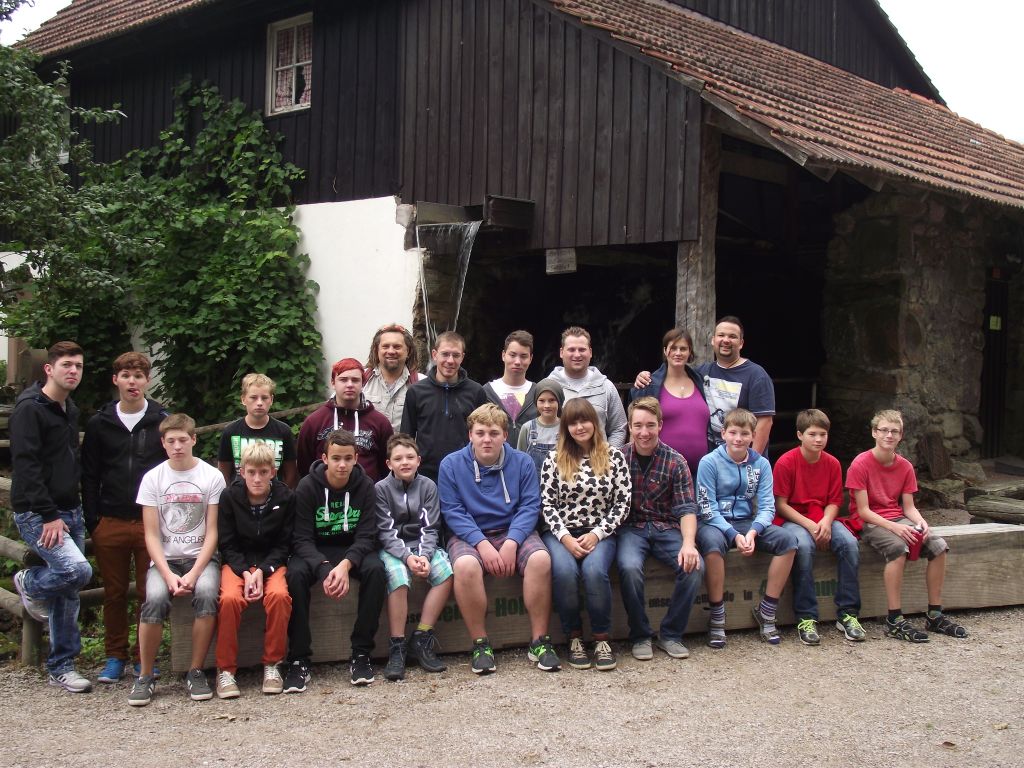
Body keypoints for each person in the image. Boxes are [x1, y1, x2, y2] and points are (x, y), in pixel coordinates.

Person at [438, 404, 560, 674]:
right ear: (470, 434)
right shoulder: (451, 464)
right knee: (465, 567)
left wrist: (512, 542)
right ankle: (480, 644)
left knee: (540, 559)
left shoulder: (523, 462)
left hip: (512, 531)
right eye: (480, 433)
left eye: (494, 433)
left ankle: (539, 641)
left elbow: (530, 506)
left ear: (505, 435)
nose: (486, 439)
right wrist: (481, 544)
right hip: (470, 534)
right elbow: (453, 511)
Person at [11, 341, 94, 693]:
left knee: (69, 592)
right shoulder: (30, 409)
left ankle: (61, 665)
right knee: (77, 571)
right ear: (50, 369)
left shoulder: (68, 408)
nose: (73, 371)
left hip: (70, 508)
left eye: (78, 366)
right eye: (66, 365)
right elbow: (26, 466)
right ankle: (29, 583)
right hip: (39, 512)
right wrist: (48, 515)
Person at [81, 351, 168, 684]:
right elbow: (89, 475)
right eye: (126, 376)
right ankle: (114, 656)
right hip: (111, 520)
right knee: (114, 593)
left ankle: (145, 658)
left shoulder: (161, 419)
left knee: (152, 593)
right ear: (116, 380)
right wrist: (94, 521)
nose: (133, 382)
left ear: (147, 380)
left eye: (139, 375)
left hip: (151, 521)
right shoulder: (100, 423)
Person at [129, 413, 226, 706]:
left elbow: (212, 533)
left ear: (194, 439)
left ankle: (195, 671)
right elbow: (151, 535)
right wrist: (169, 575)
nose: (177, 446)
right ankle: (145, 675)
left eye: (183, 440)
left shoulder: (212, 476)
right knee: (155, 598)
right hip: (165, 561)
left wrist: (195, 573)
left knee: (208, 593)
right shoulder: (152, 478)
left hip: (201, 558)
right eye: (171, 441)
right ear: (163, 443)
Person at [848, 409, 968, 642]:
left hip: (897, 518)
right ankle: (894, 619)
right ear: (874, 432)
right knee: (897, 548)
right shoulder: (860, 463)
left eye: (894, 431)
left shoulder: (904, 466)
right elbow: (863, 511)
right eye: (884, 430)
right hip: (871, 521)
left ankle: (934, 614)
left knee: (938, 546)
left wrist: (921, 522)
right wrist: (896, 529)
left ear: (901, 436)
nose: (889, 435)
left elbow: (909, 507)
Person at [283, 429, 387, 692]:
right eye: (336, 458)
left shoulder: (365, 486)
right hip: (316, 551)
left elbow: (367, 536)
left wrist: (345, 565)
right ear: (325, 457)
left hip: (351, 549)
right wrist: (324, 568)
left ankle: (361, 653)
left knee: (376, 570)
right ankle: (298, 659)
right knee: (294, 575)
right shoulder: (307, 486)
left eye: (348, 458)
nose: (342, 464)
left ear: (356, 459)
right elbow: (301, 539)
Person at [540, 399, 630, 671]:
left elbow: (622, 502)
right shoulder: (554, 459)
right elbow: (546, 504)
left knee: (593, 571)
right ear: (566, 427)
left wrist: (598, 533)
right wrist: (566, 537)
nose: (580, 427)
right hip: (561, 533)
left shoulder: (613, 456)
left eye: (584, 420)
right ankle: (574, 637)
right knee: (565, 572)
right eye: (573, 422)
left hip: (601, 533)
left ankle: (602, 638)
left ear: (595, 423)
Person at [695, 408, 797, 648]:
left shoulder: (760, 464)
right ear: (723, 433)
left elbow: (767, 507)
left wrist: (752, 532)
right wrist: (733, 535)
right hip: (715, 522)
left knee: (788, 542)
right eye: (733, 432)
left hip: (747, 521)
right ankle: (717, 615)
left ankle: (767, 610)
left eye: (744, 433)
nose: (738, 438)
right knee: (710, 545)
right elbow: (706, 506)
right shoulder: (709, 462)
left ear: (753, 436)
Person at [617, 397, 703, 661]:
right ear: (629, 427)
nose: (644, 433)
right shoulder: (618, 458)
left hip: (667, 527)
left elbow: (687, 507)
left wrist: (689, 543)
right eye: (638, 426)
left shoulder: (675, 461)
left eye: (650, 425)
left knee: (694, 565)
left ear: (660, 425)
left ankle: (671, 634)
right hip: (631, 528)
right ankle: (640, 634)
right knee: (629, 567)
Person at [772, 409, 865, 645]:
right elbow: (781, 504)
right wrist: (810, 525)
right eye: (812, 434)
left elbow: (835, 501)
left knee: (849, 544)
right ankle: (806, 617)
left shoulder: (832, 463)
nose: (818, 439)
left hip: (823, 516)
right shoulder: (786, 462)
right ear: (800, 435)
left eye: (823, 434)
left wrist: (824, 521)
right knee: (802, 546)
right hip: (794, 518)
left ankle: (848, 614)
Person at [214, 442, 295, 698]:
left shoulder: (285, 497)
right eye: (251, 472)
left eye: (263, 472)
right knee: (228, 599)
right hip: (238, 563)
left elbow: (285, 543)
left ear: (273, 471)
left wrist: (263, 570)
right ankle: (225, 670)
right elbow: (226, 542)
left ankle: (272, 664)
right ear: (241, 471)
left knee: (280, 597)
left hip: (272, 562)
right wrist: (247, 572)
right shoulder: (229, 497)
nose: (257, 479)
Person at [375, 434, 453, 680]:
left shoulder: (428, 486)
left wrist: (425, 556)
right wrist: (408, 558)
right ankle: (397, 645)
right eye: (398, 458)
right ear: (389, 463)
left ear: (419, 460)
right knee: (397, 578)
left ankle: (422, 636)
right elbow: (386, 532)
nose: (405, 462)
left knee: (446, 573)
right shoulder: (380, 489)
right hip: (394, 549)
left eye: (410, 457)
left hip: (424, 546)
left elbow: (430, 528)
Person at [400, 331, 487, 481]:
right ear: (434, 355)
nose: (450, 360)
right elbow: (406, 436)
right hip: (425, 474)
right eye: (445, 354)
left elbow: (483, 433)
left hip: (466, 471)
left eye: (456, 355)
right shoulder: (416, 392)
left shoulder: (476, 391)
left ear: (463, 357)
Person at [630, 328, 711, 477]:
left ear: (690, 352)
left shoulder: (701, 381)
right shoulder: (649, 384)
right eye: (673, 348)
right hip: (660, 472)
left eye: (683, 348)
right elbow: (636, 424)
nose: (678, 353)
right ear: (665, 351)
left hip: (701, 473)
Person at [297, 358, 393, 482]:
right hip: (323, 496)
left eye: (355, 380)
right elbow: (304, 465)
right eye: (343, 380)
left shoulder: (380, 423)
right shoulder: (314, 422)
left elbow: (386, 466)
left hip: (367, 496)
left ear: (363, 383)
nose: (349, 384)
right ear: (333, 382)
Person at [697, 316, 775, 454]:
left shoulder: (757, 375)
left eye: (732, 336)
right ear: (713, 340)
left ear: (741, 343)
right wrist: (646, 376)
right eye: (721, 335)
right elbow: (674, 376)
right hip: (712, 457)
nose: (726, 340)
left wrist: (751, 461)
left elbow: (765, 422)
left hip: (742, 457)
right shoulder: (702, 371)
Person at [548, 326, 627, 448]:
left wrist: (609, 457)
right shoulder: (548, 387)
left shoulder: (607, 387)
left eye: (582, 349)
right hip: (559, 463)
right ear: (561, 352)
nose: (577, 354)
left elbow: (619, 428)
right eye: (571, 349)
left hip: (600, 464)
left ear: (590, 352)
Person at [217, 372, 298, 489]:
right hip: (239, 498)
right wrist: (232, 497)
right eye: (253, 397)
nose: (259, 403)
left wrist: (283, 496)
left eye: (264, 398)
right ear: (243, 399)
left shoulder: (283, 431)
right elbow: (224, 472)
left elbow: (290, 471)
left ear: (271, 399)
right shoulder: (230, 432)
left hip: (275, 497)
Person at [483, 330, 538, 446]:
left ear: (531, 359)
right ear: (503, 355)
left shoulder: (539, 393)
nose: (517, 361)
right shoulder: (485, 392)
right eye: (512, 355)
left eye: (523, 356)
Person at [363, 323, 421, 431]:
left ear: (408, 351)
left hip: (405, 447)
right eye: (385, 346)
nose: (391, 351)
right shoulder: (360, 379)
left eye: (397, 347)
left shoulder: (422, 383)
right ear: (376, 351)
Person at [516, 378, 564, 474]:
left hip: (560, 483)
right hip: (533, 484)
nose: (546, 405)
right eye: (542, 401)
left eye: (551, 400)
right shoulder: (527, 428)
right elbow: (519, 460)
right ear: (536, 402)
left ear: (559, 402)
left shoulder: (566, 427)